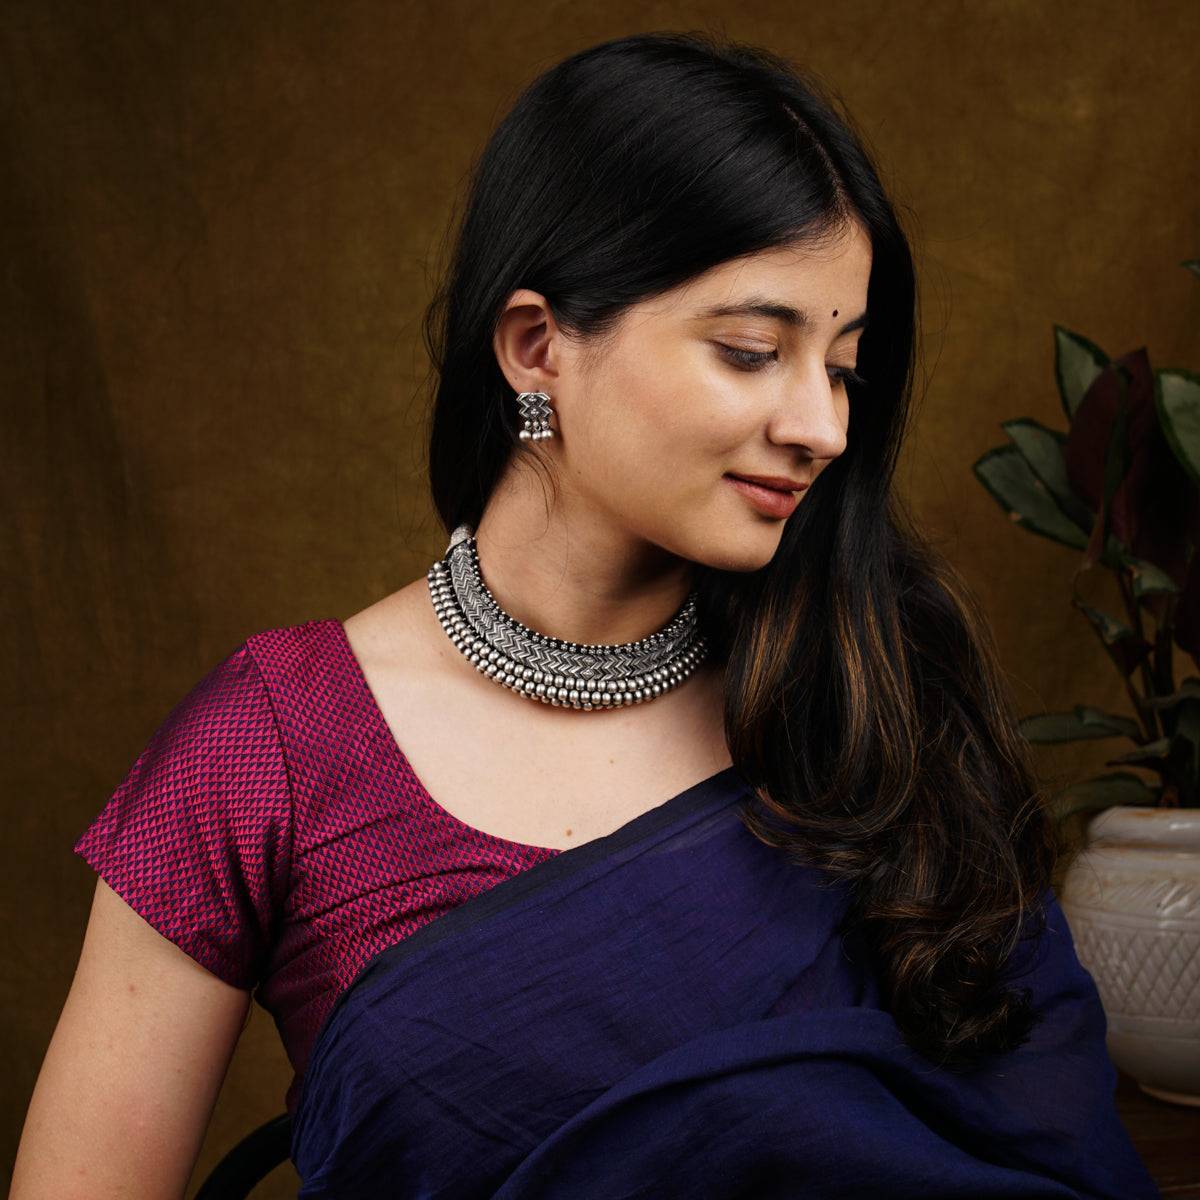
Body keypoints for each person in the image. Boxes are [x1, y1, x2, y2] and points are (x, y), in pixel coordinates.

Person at [13, 29, 1161, 1200]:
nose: (822, 425)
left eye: (845, 368)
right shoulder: (271, 748)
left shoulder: (871, 694)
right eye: (753, 350)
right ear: (536, 347)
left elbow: (1043, 1142)